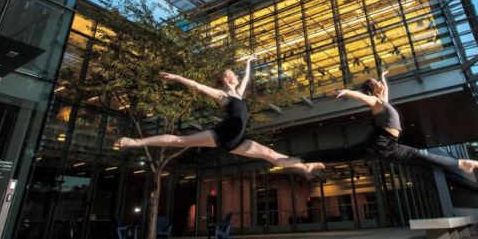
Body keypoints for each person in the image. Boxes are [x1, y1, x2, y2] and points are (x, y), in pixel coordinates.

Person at [116, 55, 324, 173]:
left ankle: (304, 167)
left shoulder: (239, 93)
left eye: (234, 73)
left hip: (237, 140)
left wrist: (249, 62)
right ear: (225, 80)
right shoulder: (221, 95)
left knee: (270, 155)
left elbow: (247, 77)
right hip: (223, 134)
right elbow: (197, 86)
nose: (235, 75)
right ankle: (134, 142)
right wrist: (177, 77)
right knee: (180, 140)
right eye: (230, 74)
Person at [300, 70, 478, 174]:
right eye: (376, 82)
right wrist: (345, 92)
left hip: (389, 144)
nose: (380, 84)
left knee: (421, 156)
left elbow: (386, 89)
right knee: (345, 153)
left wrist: (383, 76)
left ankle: (461, 163)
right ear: (373, 90)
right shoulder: (376, 102)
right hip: (380, 142)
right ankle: (304, 158)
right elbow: (361, 96)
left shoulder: (383, 101)